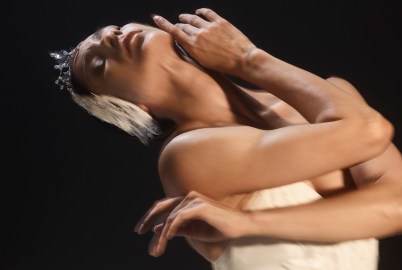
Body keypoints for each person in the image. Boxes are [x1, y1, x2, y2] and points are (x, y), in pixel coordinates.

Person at [50, 7, 401, 270]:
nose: (110, 39)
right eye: (99, 64)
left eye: (112, 30)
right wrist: (248, 59)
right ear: (130, 105)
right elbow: (369, 131)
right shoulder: (188, 154)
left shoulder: (331, 96)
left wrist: (250, 224)